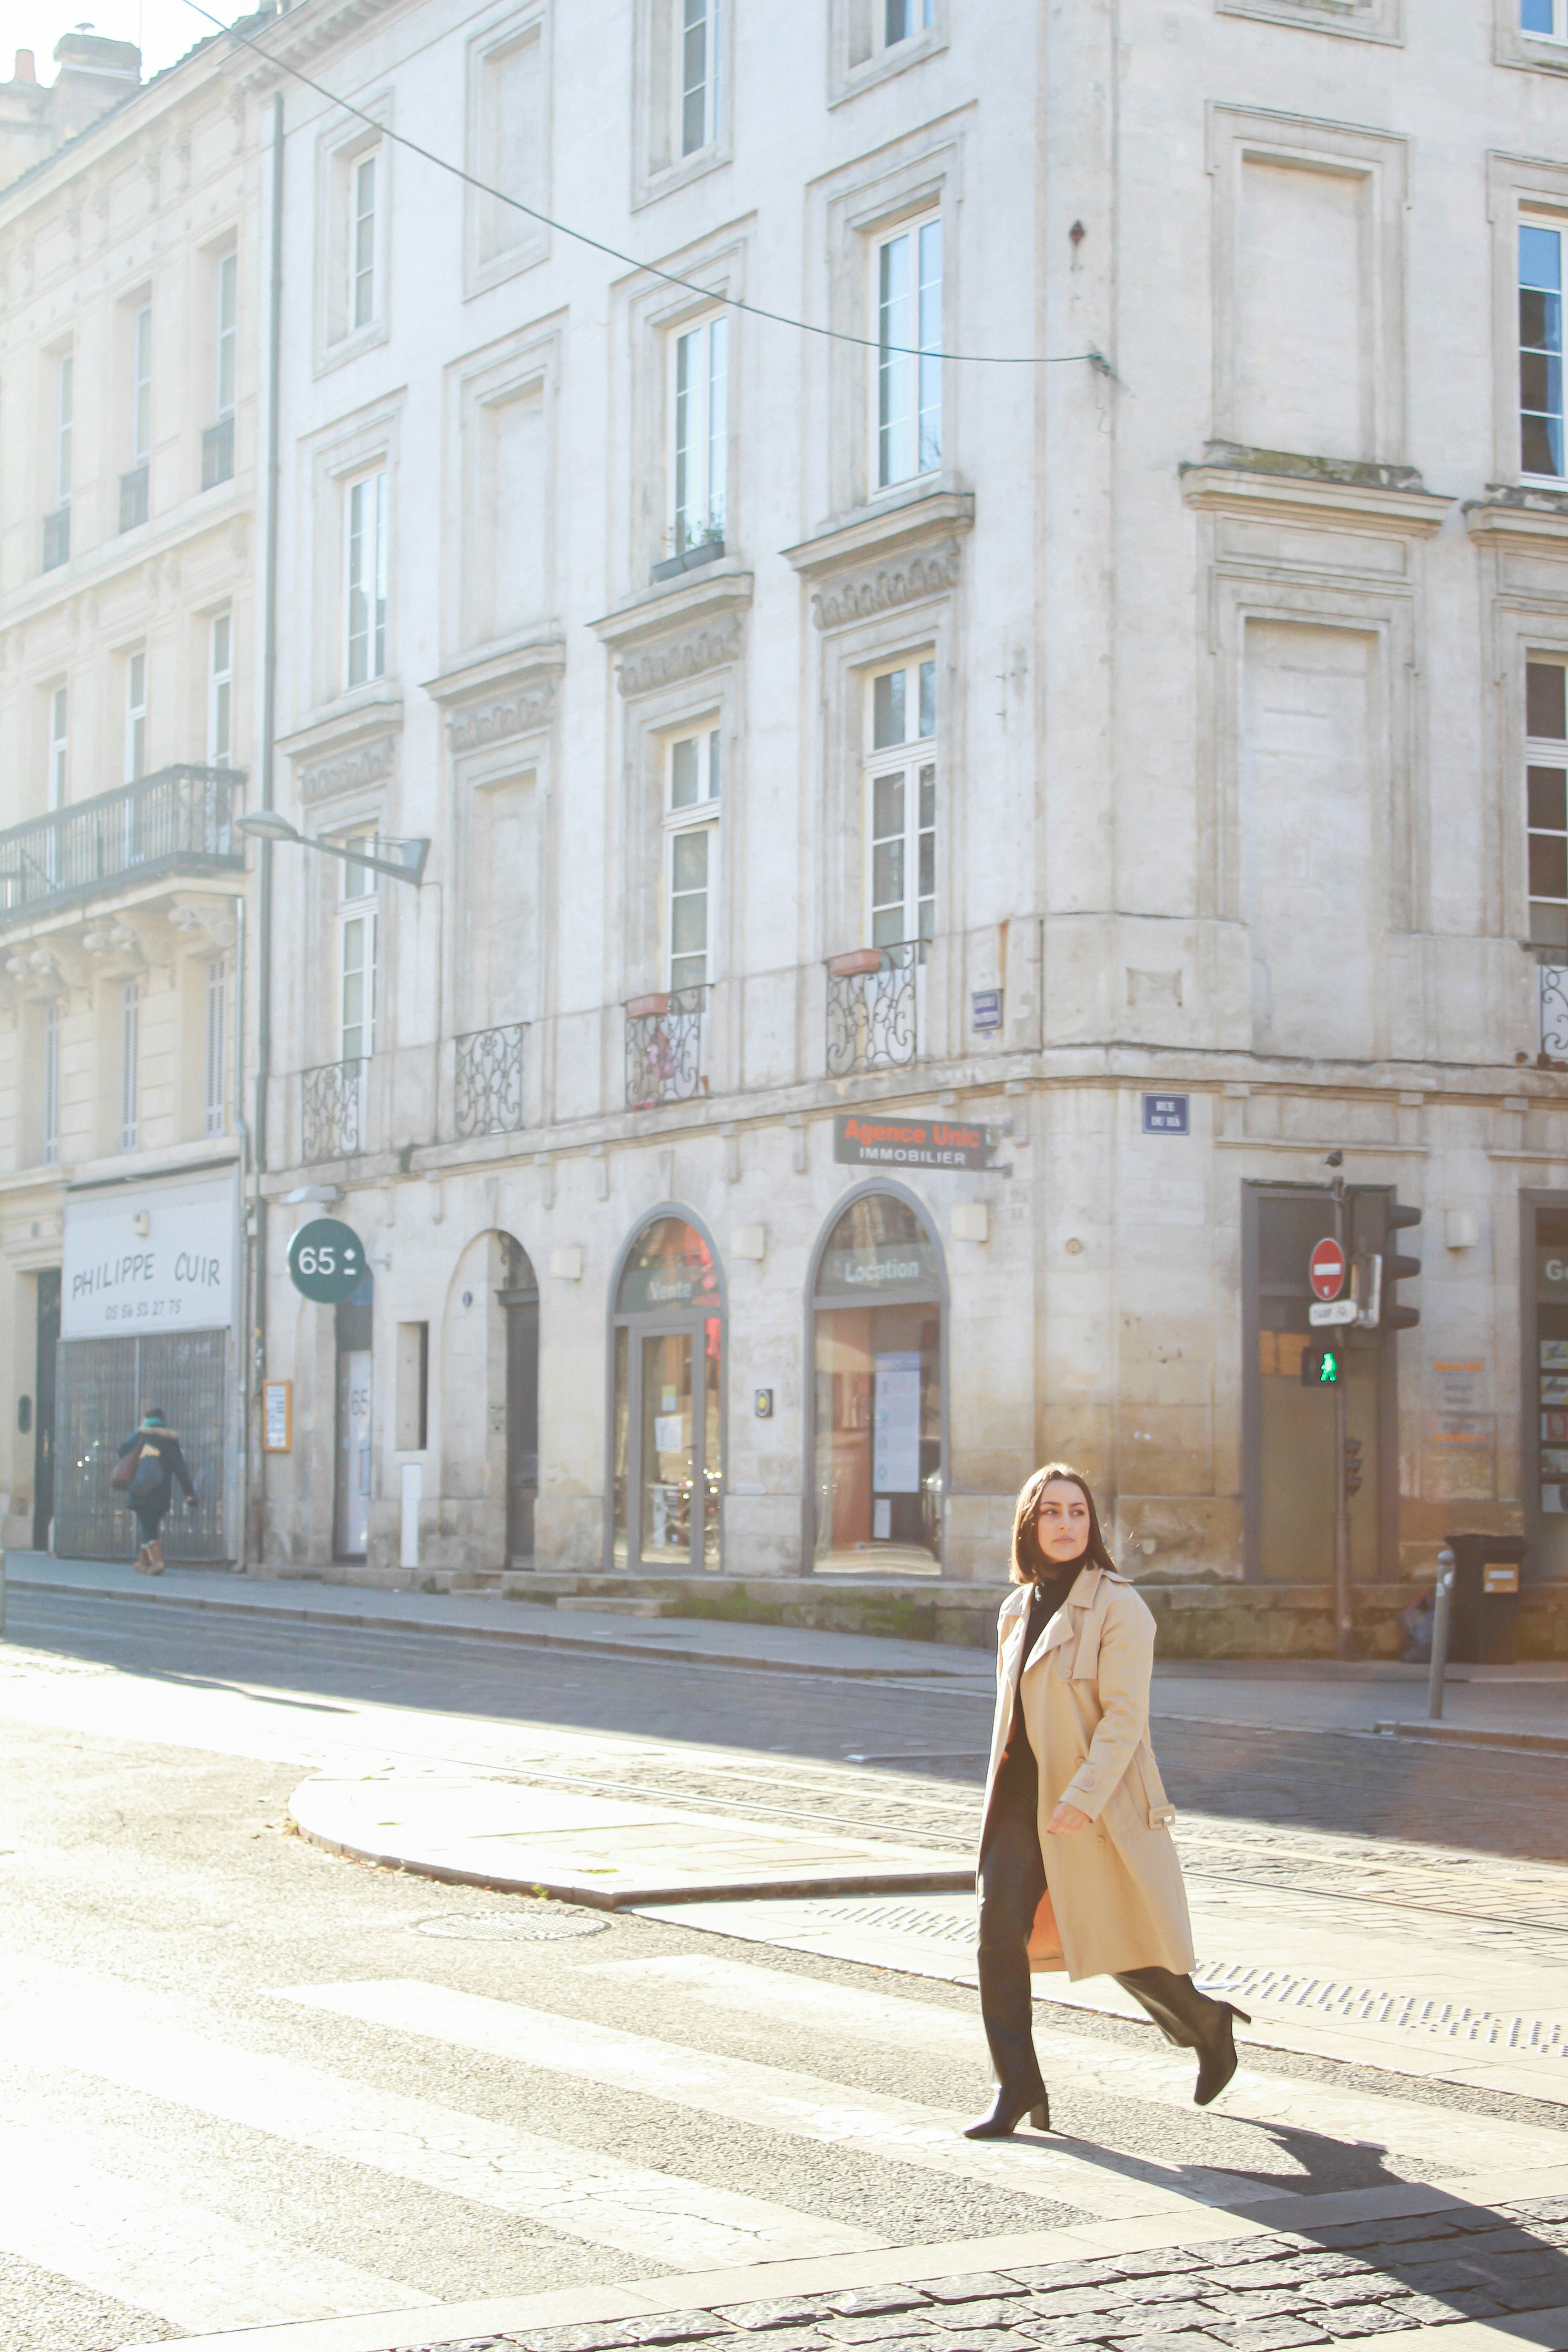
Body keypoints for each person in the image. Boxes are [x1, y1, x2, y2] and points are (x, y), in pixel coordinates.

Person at [966, 1461, 1249, 2140]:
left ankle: (1205, 2023)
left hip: (1090, 1805)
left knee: (1115, 1940)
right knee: (996, 1937)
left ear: (1091, 1526)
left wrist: (1082, 1797)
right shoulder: (1016, 1608)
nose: (1065, 1525)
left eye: (1077, 1513)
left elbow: (1125, 1720)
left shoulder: (1120, 1607)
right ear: (1029, 1525)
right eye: (1052, 1513)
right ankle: (1017, 2086)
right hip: (1017, 1802)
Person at [117, 1407, 197, 1577]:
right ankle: (143, 1563)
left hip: (142, 1490)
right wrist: (189, 1492)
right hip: (162, 1492)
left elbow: (122, 1450)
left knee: (149, 1527)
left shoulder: (141, 1436)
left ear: (147, 1419)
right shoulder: (171, 1441)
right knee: (151, 1525)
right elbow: (180, 1469)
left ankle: (157, 1563)